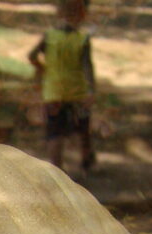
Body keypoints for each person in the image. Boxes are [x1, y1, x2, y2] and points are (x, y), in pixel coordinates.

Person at [28, 0, 96, 173]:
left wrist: (42, 69)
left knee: (54, 132)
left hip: (54, 91)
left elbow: (32, 55)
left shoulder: (49, 36)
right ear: (82, 15)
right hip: (77, 92)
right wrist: (91, 90)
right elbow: (87, 66)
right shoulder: (82, 38)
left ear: (59, 13)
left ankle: (57, 171)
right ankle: (86, 161)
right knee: (82, 128)